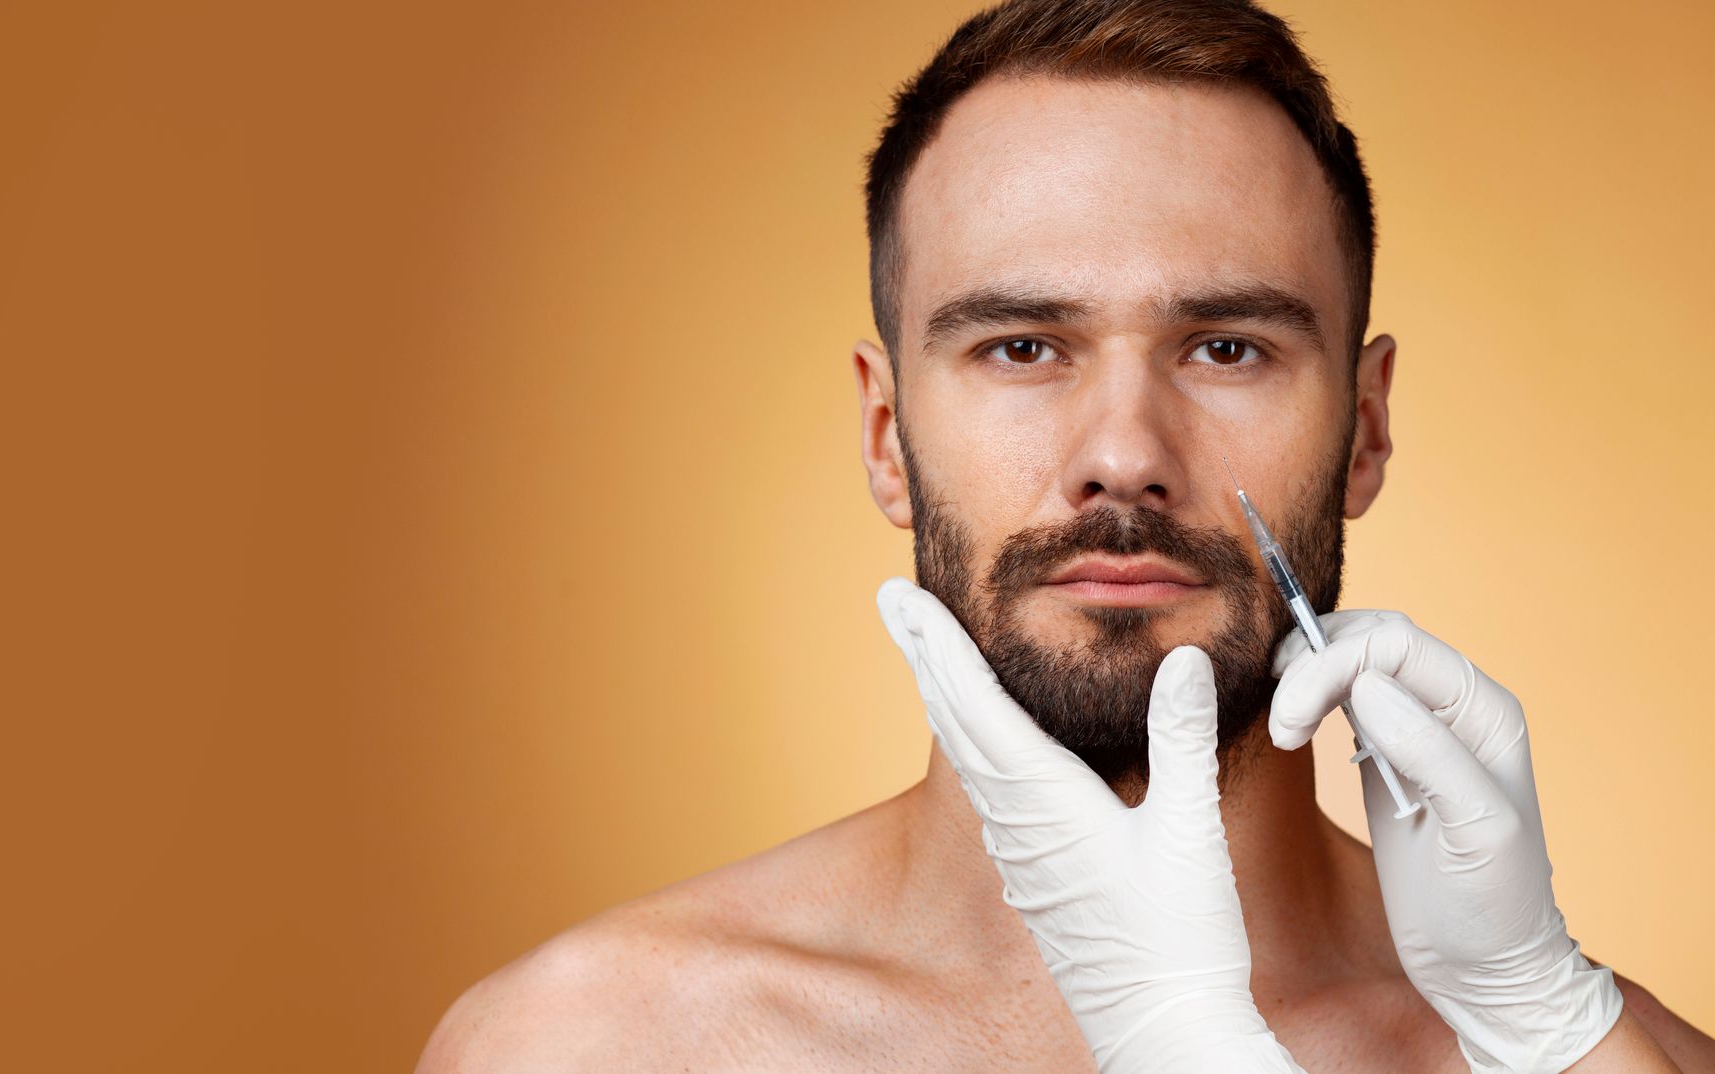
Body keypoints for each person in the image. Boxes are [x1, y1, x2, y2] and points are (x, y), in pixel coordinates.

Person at [419, 0, 1715, 1069]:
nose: (1124, 457)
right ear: (885, 434)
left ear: (1367, 426)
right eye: (1023, 345)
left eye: (1226, 346)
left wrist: (1544, 1028)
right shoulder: (594, 1046)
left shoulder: (1574, 1052)